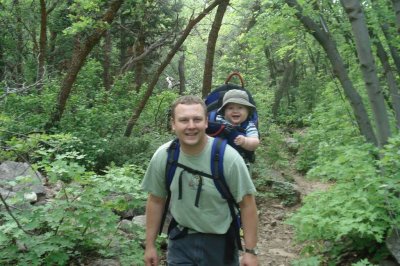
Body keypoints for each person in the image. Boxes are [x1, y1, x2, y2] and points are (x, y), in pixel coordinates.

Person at [142, 95, 259, 266]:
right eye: (183, 120)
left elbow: (247, 205)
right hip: (180, 241)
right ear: (173, 124)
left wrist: (250, 252)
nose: (191, 126)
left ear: (206, 122)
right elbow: (156, 200)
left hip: (220, 244)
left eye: (197, 119)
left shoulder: (228, 158)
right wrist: (150, 245)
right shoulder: (165, 156)